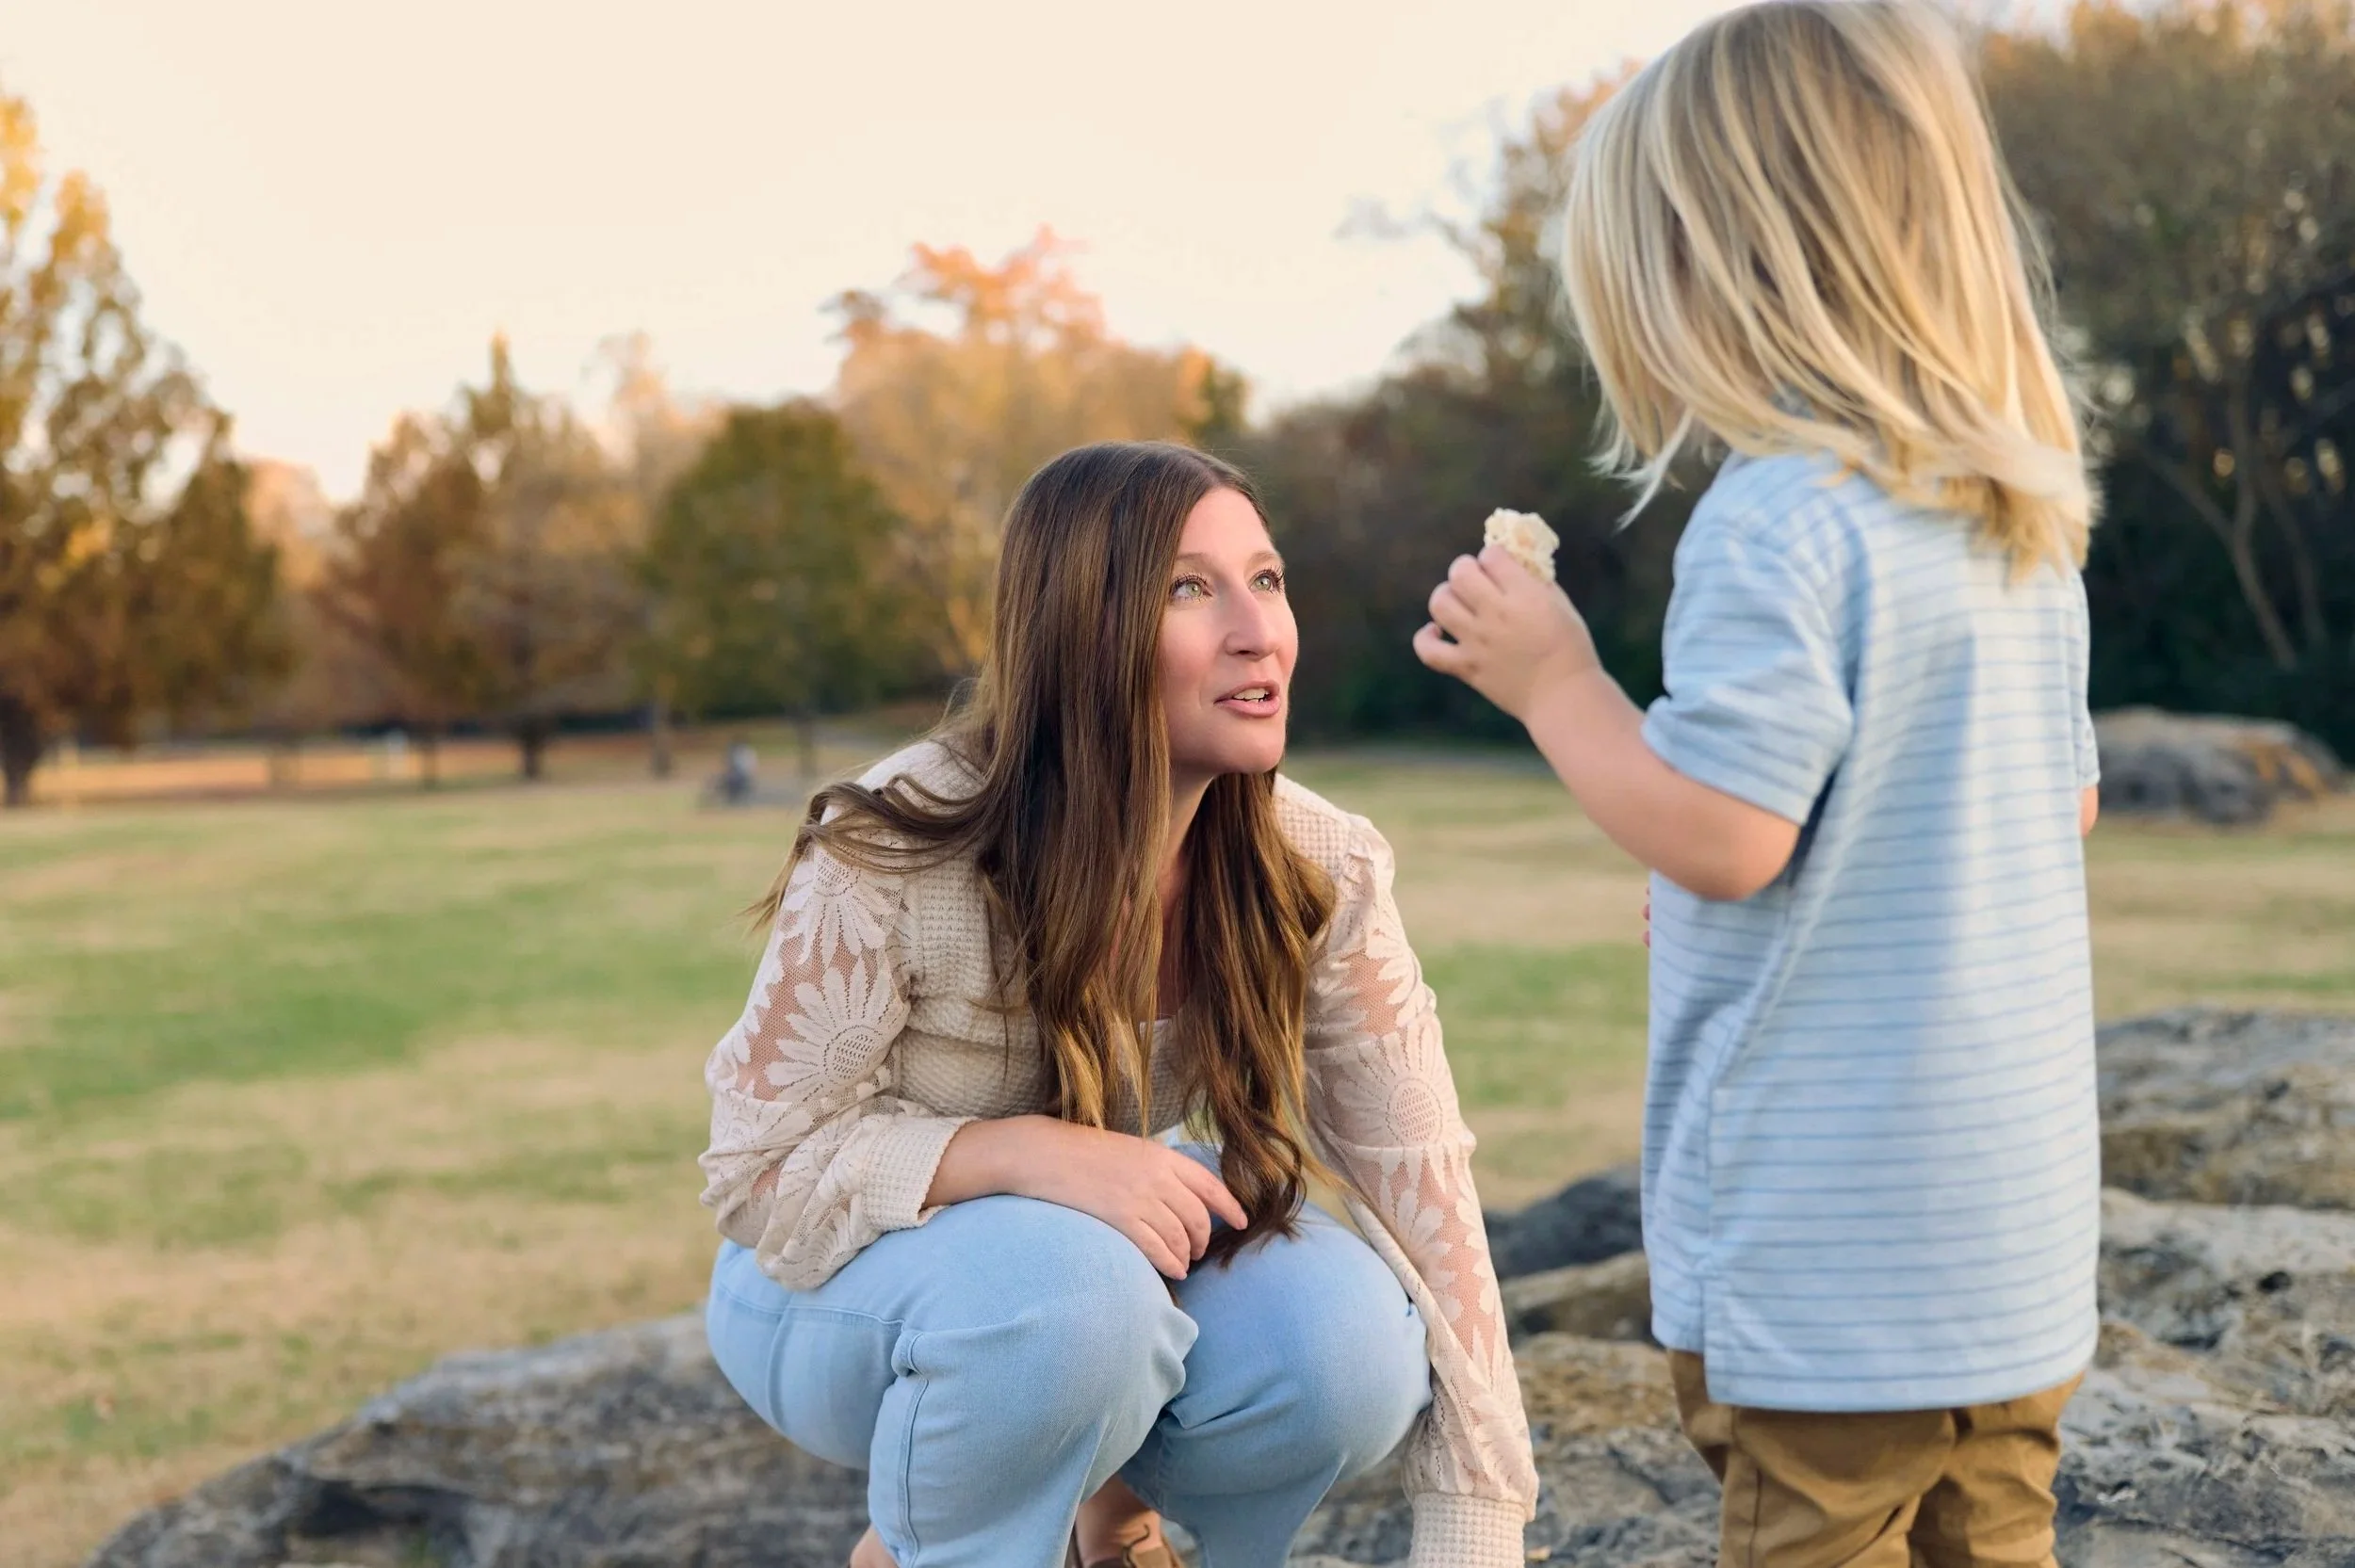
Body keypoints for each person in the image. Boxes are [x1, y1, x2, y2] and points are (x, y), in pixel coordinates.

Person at [1413, 4, 2103, 1565]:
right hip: (2014, 1259)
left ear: (1711, 277)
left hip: (1833, 1274)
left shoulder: (1777, 522)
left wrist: (1558, 683)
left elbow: (1727, 836)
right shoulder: (2020, 526)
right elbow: (2042, 824)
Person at [700, 442, 1536, 1568]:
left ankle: (1103, 1500)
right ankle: (931, 1546)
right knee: (1074, 1302)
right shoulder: (897, 845)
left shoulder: (1321, 862)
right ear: (1081, 628)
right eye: (1191, 588)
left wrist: (1474, 1530)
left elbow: (1423, 1189)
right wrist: (1016, 1152)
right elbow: (755, 1173)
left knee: (1347, 1347)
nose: (1258, 631)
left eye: (1268, 579)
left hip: (1092, 1283)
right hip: (831, 1288)